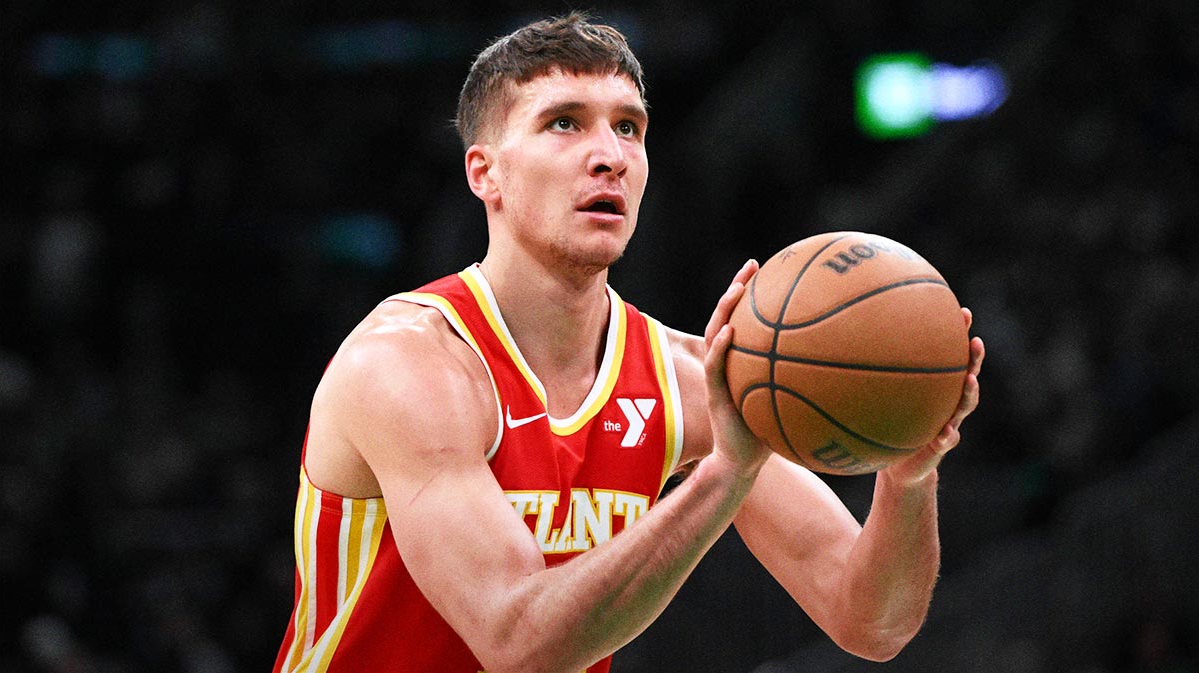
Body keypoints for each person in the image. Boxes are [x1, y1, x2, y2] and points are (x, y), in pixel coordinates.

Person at [272, 12, 985, 673]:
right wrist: (723, 474)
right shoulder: (407, 364)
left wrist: (908, 476)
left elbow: (871, 622)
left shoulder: (681, 376)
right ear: (485, 172)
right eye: (564, 124)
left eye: (629, 128)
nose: (609, 155)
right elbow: (515, 641)